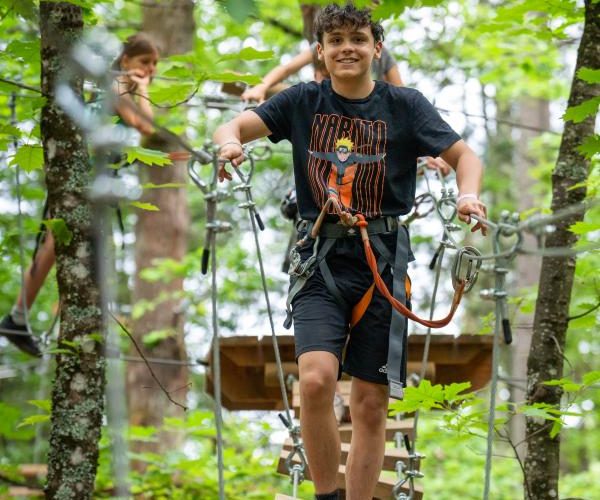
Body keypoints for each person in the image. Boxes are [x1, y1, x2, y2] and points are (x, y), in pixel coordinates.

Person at [214, 4, 487, 498]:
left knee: (370, 402)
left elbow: (464, 155)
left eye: (358, 39)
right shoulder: (302, 101)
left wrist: (468, 194)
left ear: (375, 49)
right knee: (316, 381)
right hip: (319, 258)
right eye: (335, 40)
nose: (347, 47)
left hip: (382, 260)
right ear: (320, 53)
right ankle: (326, 495)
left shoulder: (405, 106)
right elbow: (232, 127)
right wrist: (229, 145)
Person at [0, 33, 159, 357]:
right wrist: (142, 89)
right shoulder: (117, 87)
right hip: (85, 176)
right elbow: (145, 126)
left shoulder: (117, 87)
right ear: (125, 60)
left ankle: (18, 316)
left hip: (91, 176)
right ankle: (18, 316)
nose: (151, 69)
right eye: (145, 62)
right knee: (55, 246)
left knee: (55, 245)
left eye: (155, 64)